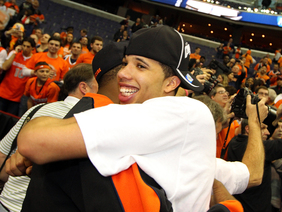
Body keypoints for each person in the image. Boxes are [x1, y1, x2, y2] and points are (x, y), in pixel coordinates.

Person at [17, 26, 254, 212]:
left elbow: (33, 140)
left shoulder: (184, 111)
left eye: (140, 66)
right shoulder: (175, 135)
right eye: (125, 63)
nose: (123, 73)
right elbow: (250, 174)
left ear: (171, 83)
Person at [0, 63, 98, 212]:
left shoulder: (38, 108)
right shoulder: (86, 121)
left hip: (6, 201)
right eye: (100, 84)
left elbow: (2, 155)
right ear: (84, 87)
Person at [227, 91, 282, 212]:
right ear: (248, 129)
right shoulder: (264, 148)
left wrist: (276, 116)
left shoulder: (234, 142)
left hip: (238, 205)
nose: (268, 132)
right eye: (263, 128)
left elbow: (258, 129)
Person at [0, 37, 35, 116]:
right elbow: (4, 67)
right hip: (3, 92)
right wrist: (15, 53)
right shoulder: (14, 54)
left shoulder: (34, 59)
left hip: (17, 96)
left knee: (9, 120)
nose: (25, 48)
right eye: (24, 45)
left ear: (33, 48)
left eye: (28, 46)